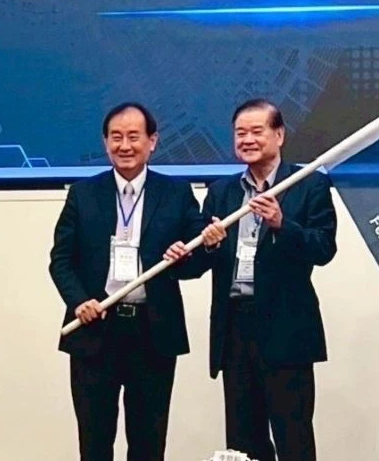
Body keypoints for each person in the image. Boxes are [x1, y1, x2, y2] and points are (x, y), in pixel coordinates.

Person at [165, 98, 337, 461]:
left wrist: (281, 224)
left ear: (279, 135)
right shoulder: (221, 192)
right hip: (235, 331)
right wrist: (202, 248)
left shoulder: (308, 184)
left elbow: (323, 249)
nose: (247, 140)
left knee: (294, 440)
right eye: (240, 133)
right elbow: (199, 264)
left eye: (256, 131)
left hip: (286, 331)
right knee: (243, 443)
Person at [49, 102, 206, 461]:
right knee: (94, 442)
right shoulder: (83, 193)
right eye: (116, 137)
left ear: (153, 141)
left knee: (148, 444)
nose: (124, 145)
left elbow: (197, 264)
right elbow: (61, 260)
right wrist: (79, 301)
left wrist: (194, 252)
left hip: (153, 333)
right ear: (105, 142)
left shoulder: (176, 193)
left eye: (134, 137)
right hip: (95, 331)